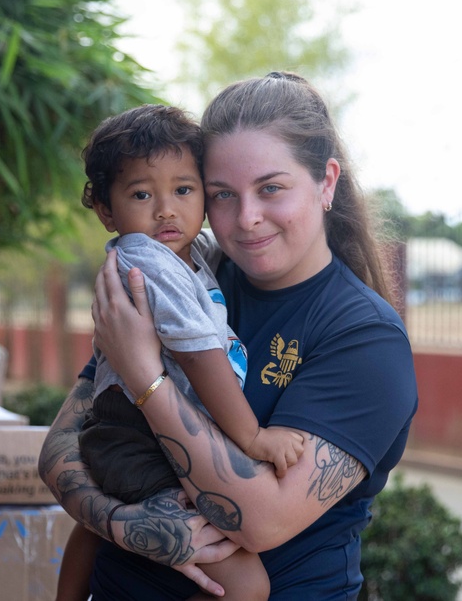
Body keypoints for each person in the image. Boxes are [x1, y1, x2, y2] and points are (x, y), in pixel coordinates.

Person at [40, 72, 419, 600]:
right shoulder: (186, 277)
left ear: (326, 182)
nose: (246, 219)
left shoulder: (364, 338)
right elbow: (60, 451)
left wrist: (148, 379)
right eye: (222, 194)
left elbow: (260, 522)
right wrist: (119, 523)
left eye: (271, 188)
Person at [54, 104, 305, 601]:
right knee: (247, 585)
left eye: (184, 190)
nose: (166, 209)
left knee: (96, 523)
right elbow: (197, 356)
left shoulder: (182, 253)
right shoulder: (149, 260)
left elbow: (218, 243)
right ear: (106, 210)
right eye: (142, 194)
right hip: (138, 434)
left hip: (122, 430)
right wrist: (253, 438)